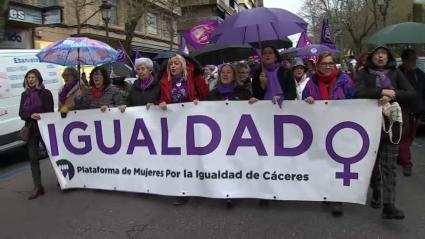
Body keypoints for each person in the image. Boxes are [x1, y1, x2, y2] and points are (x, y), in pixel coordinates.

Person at [355, 45, 415, 220]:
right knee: (374, 165)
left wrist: (392, 94)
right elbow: (357, 92)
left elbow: (411, 93)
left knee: (389, 166)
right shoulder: (364, 74)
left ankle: (389, 205)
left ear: (388, 57)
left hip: (392, 126)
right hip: (370, 126)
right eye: (377, 54)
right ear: (371, 57)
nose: (380, 57)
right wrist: (380, 92)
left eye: (384, 54)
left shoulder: (396, 73)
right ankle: (376, 191)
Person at [302, 52, 354, 217]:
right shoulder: (311, 83)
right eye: (324, 63)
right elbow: (303, 104)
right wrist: (307, 100)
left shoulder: (345, 80)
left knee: (337, 162)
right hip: (320, 128)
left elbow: (356, 101)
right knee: (324, 162)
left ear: (334, 64)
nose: (327, 66)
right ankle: (326, 191)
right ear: (318, 66)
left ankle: (337, 198)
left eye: (330, 63)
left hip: (341, 128)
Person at [159, 54, 209, 205]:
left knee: (197, 157)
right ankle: (184, 191)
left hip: (194, 123)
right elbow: (162, 98)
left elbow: (206, 95)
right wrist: (160, 102)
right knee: (180, 159)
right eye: (170, 64)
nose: (173, 66)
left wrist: (198, 101)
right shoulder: (164, 81)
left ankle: (205, 186)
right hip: (175, 125)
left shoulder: (194, 77)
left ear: (183, 65)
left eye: (176, 63)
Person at [19, 69, 54, 200]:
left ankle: (63, 178)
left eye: (33, 77)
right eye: (28, 77)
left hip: (44, 128)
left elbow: (50, 111)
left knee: (52, 155)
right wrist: (30, 115)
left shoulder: (45, 93)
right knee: (33, 157)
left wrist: (41, 116)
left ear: (38, 78)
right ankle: (37, 186)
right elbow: (21, 113)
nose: (30, 79)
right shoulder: (24, 95)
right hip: (31, 129)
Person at [397, 48, 425, 176]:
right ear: (404, 60)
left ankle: (401, 157)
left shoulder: (419, 74)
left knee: (410, 138)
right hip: (403, 111)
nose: (414, 61)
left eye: (415, 59)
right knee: (404, 138)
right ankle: (407, 163)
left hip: (417, 111)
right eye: (411, 59)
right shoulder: (398, 73)